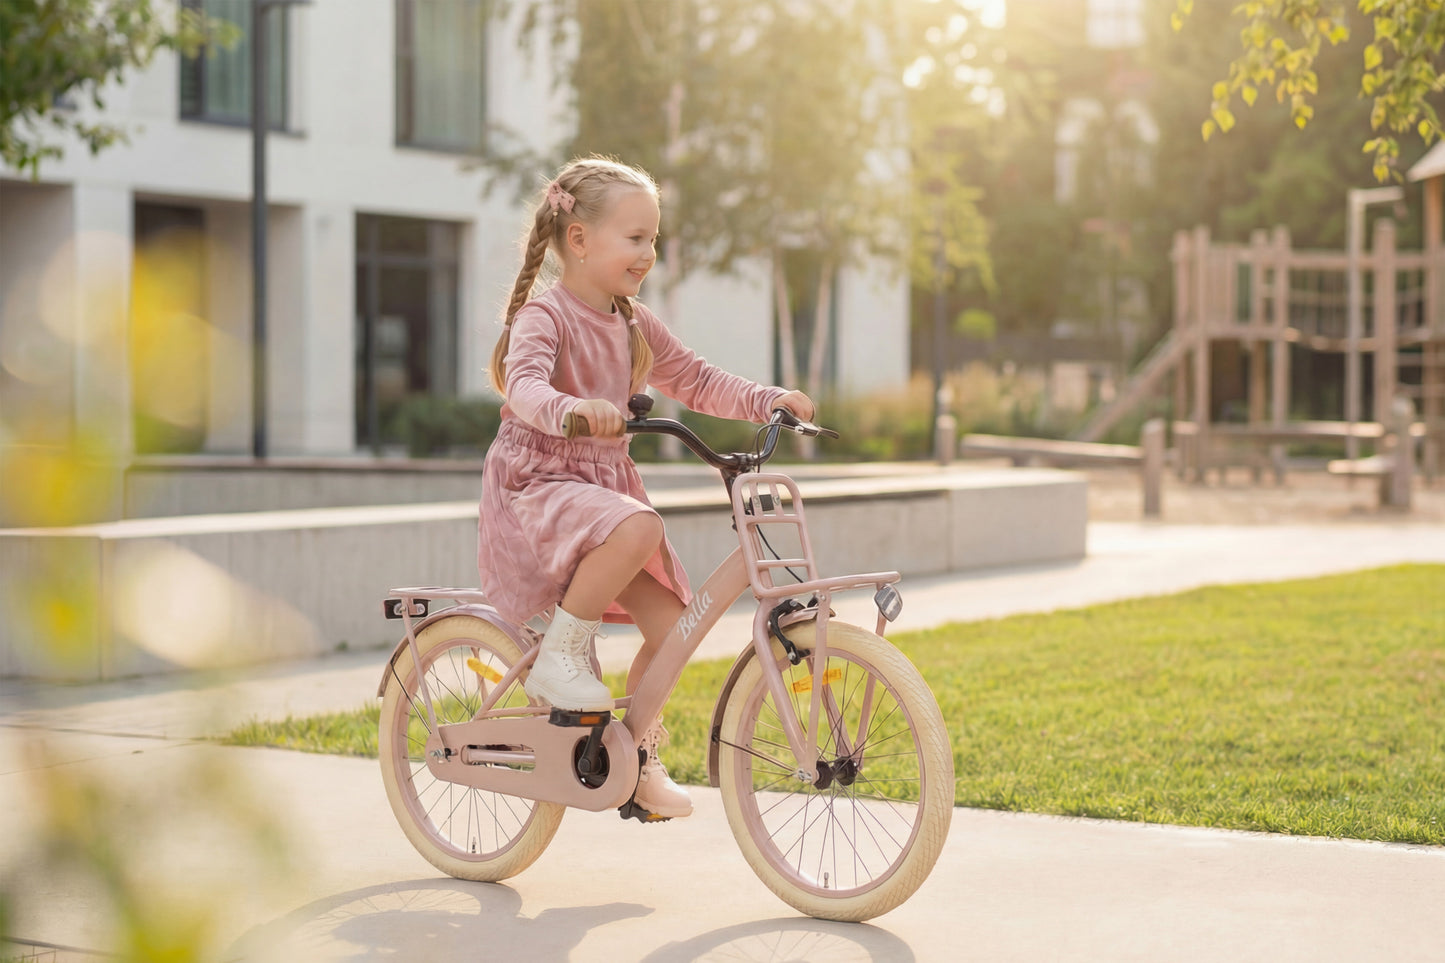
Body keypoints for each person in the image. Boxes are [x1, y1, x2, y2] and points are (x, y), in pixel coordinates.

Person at [479, 156, 814, 819]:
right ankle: (561, 656)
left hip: (598, 487)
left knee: (671, 629)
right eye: (634, 238)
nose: (647, 252)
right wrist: (571, 409)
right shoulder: (546, 317)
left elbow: (694, 376)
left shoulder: (631, 320)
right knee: (640, 524)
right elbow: (523, 386)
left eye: (652, 239)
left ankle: (632, 757)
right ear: (579, 240)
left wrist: (767, 399)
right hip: (540, 481)